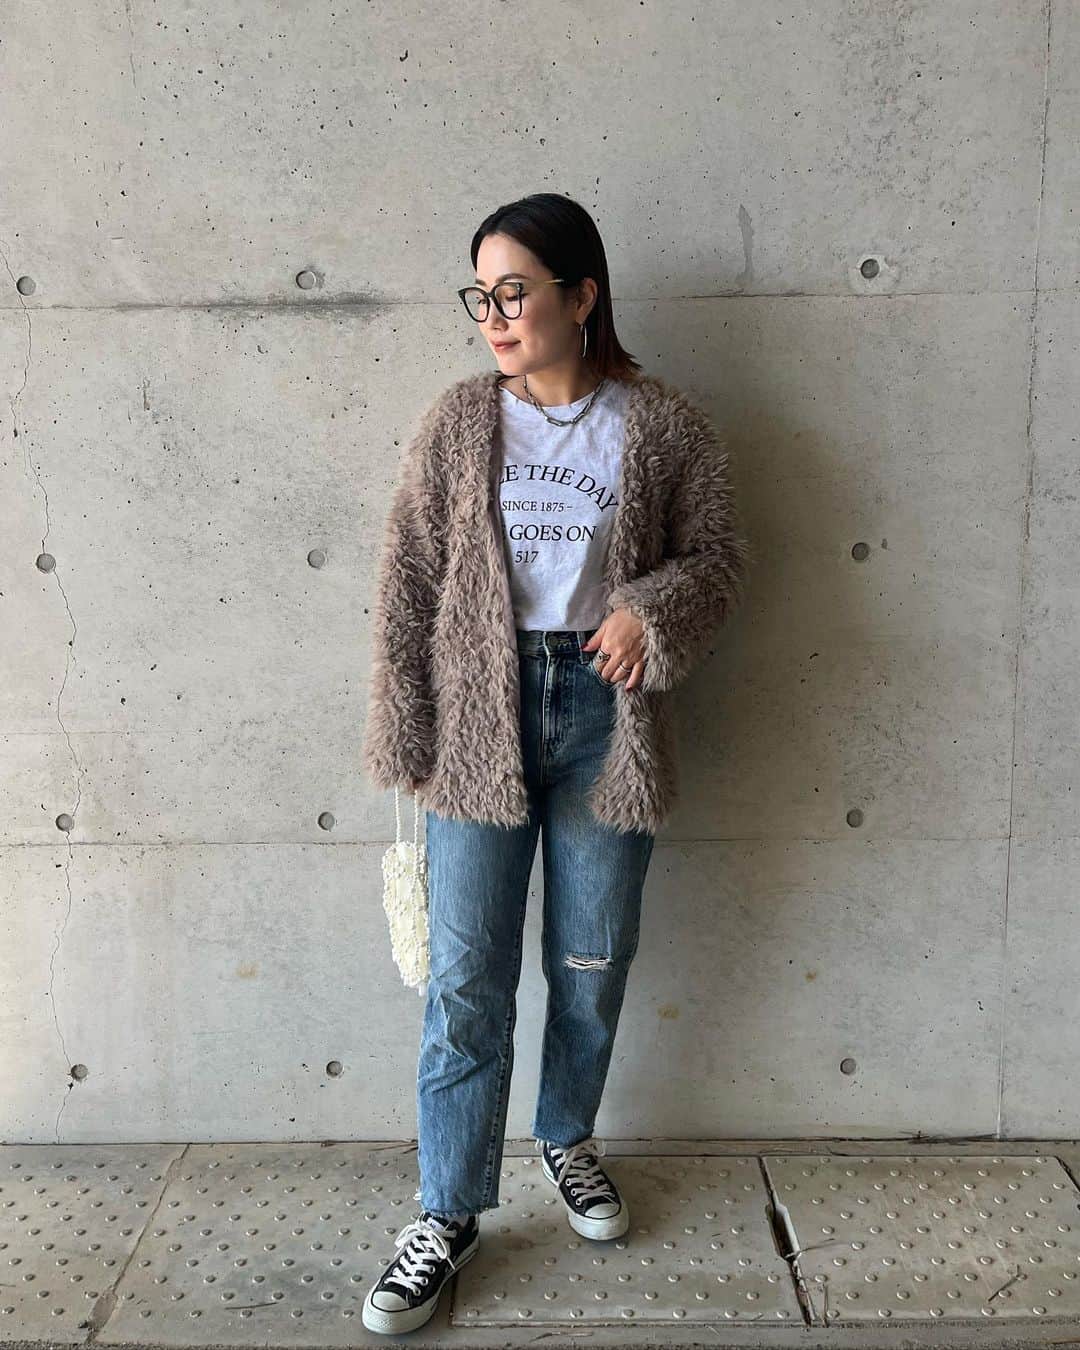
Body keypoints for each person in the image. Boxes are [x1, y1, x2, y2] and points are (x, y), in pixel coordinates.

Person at [360, 192, 750, 1336]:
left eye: (514, 292)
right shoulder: (458, 423)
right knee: (466, 978)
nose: (494, 315)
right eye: (481, 295)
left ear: (583, 296)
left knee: (590, 958)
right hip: (479, 720)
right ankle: (447, 1209)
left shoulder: (662, 426)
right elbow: (408, 577)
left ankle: (566, 1137)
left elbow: (719, 559)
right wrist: (405, 724)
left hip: (605, 718)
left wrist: (650, 614)